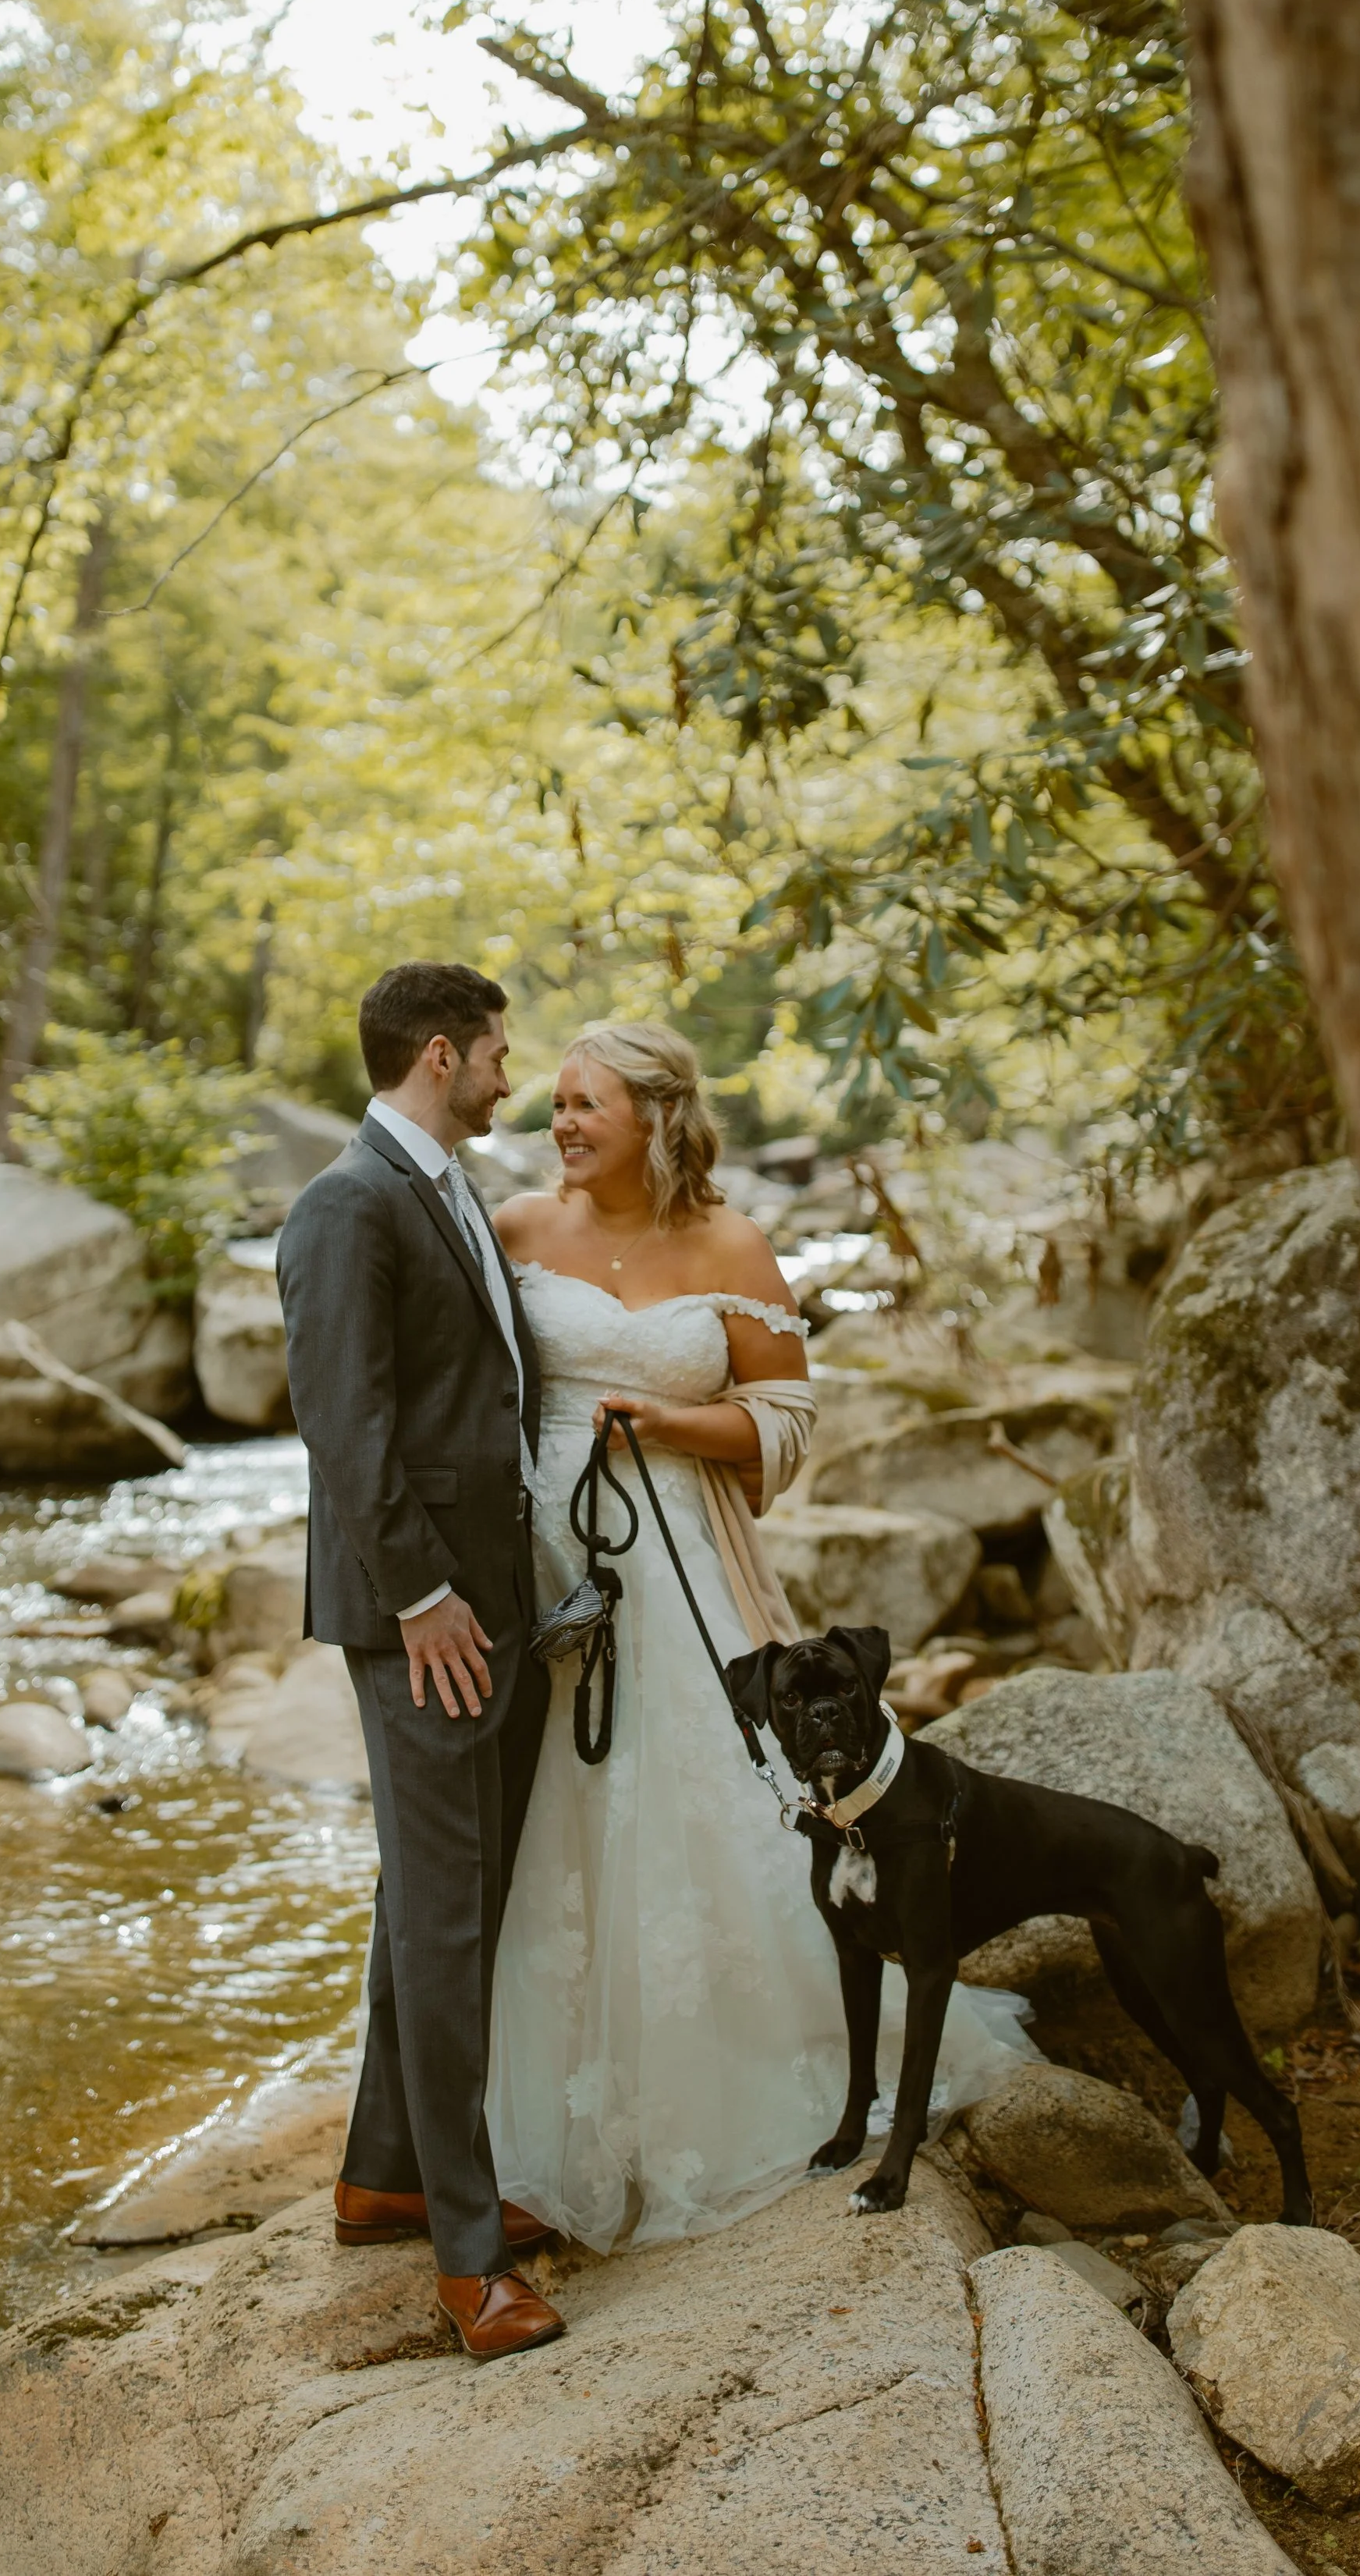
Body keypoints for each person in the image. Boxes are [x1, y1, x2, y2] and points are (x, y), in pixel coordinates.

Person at [487, 1020, 1033, 2253]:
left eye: (588, 1106)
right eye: (558, 1103)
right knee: (554, 1811)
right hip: (548, 1562)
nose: (562, 1124)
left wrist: (671, 1424)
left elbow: (786, 1419)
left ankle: (751, 2074)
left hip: (682, 1560)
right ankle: (549, 2101)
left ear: (658, 1117)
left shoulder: (731, 1243)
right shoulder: (517, 1227)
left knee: (709, 1795)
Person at [275, 960, 564, 2360]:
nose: (518, 1075)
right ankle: (465, 2260)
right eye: (501, 1053)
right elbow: (344, 1424)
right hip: (426, 1616)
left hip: (495, 1597)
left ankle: (382, 2172)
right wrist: (426, 1596)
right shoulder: (345, 1204)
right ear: (441, 1055)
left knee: (441, 1893)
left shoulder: (446, 1186)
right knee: (449, 1913)